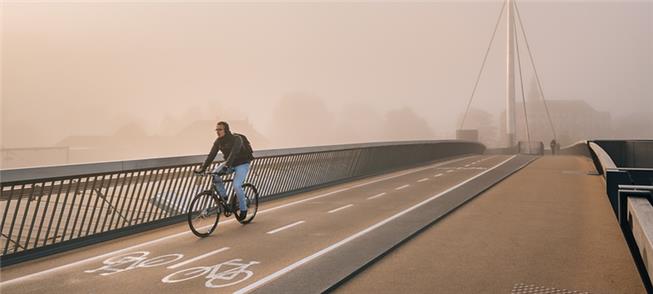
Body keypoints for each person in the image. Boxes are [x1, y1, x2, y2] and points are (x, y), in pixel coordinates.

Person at [195, 121, 254, 221]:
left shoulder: (236, 139)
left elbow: (233, 153)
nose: (218, 132)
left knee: (236, 185)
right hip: (229, 163)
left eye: (220, 129)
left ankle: (243, 209)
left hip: (242, 163)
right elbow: (211, 155)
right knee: (214, 174)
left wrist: (227, 165)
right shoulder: (218, 141)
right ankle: (224, 197)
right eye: (216, 130)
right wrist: (203, 168)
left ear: (226, 130)